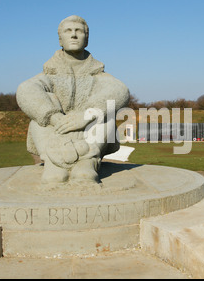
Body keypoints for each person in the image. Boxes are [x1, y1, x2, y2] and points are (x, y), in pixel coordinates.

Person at [16, 15, 129, 185]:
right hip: (56, 131)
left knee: (105, 112)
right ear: (60, 39)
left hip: (89, 135)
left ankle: (87, 161)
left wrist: (86, 114)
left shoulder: (97, 73)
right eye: (68, 31)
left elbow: (119, 90)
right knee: (40, 110)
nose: (74, 35)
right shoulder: (50, 73)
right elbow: (26, 90)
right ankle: (55, 162)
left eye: (79, 31)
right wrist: (56, 118)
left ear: (86, 38)